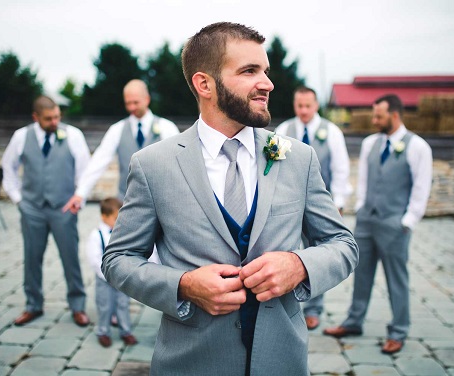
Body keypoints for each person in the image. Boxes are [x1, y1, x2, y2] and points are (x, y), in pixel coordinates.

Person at [102, 22, 358, 376]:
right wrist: (184, 286)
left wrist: (299, 266)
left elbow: (343, 244)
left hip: (282, 361)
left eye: (265, 71)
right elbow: (118, 260)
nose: (267, 83)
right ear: (204, 84)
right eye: (249, 71)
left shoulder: (298, 158)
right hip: (191, 362)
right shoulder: (153, 165)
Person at [323, 94, 433, 355]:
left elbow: (422, 187)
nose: (374, 120)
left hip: (395, 224)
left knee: (397, 279)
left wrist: (407, 221)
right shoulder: (370, 143)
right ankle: (353, 321)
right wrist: (361, 206)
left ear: (394, 115)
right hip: (366, 221)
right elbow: (363, 178)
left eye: (378, 116)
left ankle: (398, 331)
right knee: (360, 275)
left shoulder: (418, 147)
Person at [1, 95, 91, 327]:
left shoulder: (73, 135)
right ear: (36, 117)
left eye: (57, 117)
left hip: (63, 207)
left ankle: (78, 306)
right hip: (32, 208)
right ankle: (33, 305)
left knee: (70, 257)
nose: (55, 122)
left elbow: (84, 169)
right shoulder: (21, 136)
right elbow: (8, 167)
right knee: (32, 258)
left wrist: (78, 197)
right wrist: (18, 199)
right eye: (49, 118)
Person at [275, 86, 352, 330]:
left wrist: (338, 203)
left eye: (308, 106)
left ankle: (314, 308)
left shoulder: (331, 132)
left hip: (319, 205)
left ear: (316, 105)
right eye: (300, 106)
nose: (304, 110)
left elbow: (341, 169)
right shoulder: (283, 130)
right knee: (285, 252)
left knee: (317, 254)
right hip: (287, 204)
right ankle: (285, 307)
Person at [63, 79, 180, 213]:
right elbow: (99, 161)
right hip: (127, 202)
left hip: (161, 201)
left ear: (147, 99)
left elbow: (178, 164)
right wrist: (80, 193)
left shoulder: (167, 127)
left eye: (135, 102)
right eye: (128, 103)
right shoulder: (117, 130)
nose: (131, 108)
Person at [86, 197, 137, 347]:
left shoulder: (122, 233)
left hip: (121, 279)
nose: (119, 221)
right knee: (105, 306)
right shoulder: (96, 235)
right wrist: (107, 276)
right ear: (104, 216)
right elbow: (94, 260)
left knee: (123, 304)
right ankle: (103, 331)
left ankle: (125, 331)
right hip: (104, 280)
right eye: (116, 218)